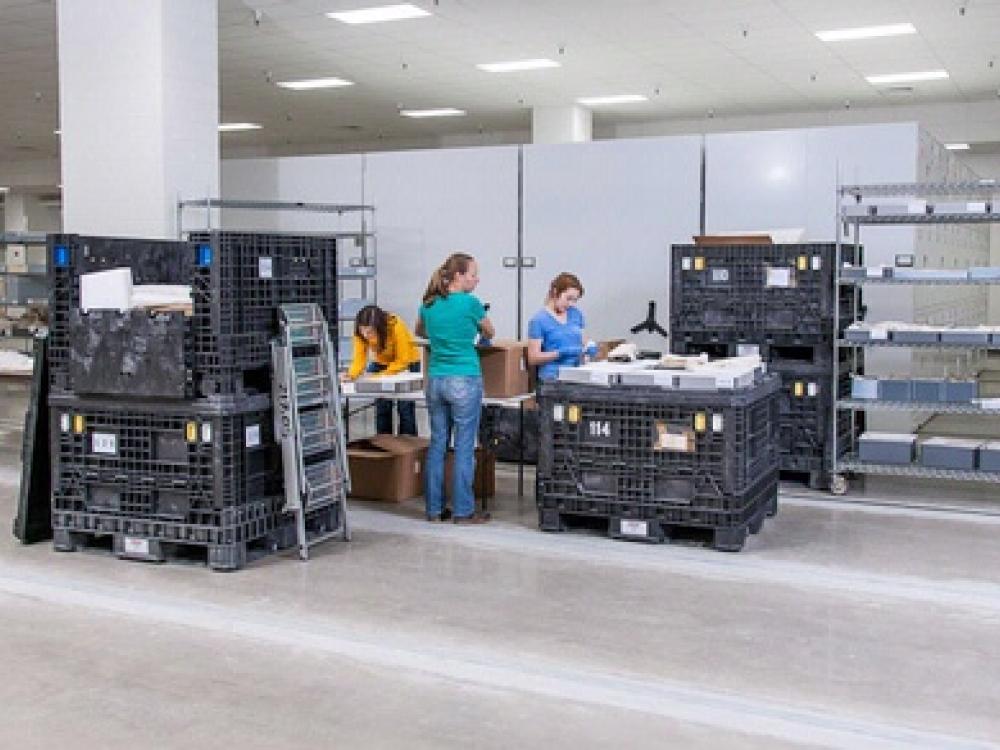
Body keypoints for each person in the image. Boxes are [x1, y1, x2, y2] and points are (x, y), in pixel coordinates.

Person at [416, 252, 494, 524]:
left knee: (437, 444)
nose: (477, 279)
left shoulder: (428, 304)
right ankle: (463, 511)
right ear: (458, 276)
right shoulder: (471, 303)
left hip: (435, 379)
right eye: (473, 274)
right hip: (464, 378)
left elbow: (421, 332)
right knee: (463, 446)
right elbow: (490, 332)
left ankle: (434, 510)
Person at [343, 304, 421, 436]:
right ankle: (384, 442)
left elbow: (403, 359)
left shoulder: (396, 325)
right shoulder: (360, 333)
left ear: (380, 327)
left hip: (408, 362)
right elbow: (359, 357)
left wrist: (382, 375)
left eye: (370, 331)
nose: (366, 335)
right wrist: (351, 374)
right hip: (382, 362)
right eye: (363, 330)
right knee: (382, 403)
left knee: (405, 406)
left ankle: (409, 444)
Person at [527, 272, 590, 381]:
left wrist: (589, 349)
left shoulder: (576, 314)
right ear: (555, 292)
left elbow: (583, 342)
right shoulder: (539, 320)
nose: (571, 304)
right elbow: (533, 358)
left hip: (576, 375)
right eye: (568, 298)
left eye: (575, 300)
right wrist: (559, 353)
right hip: (552, 378)